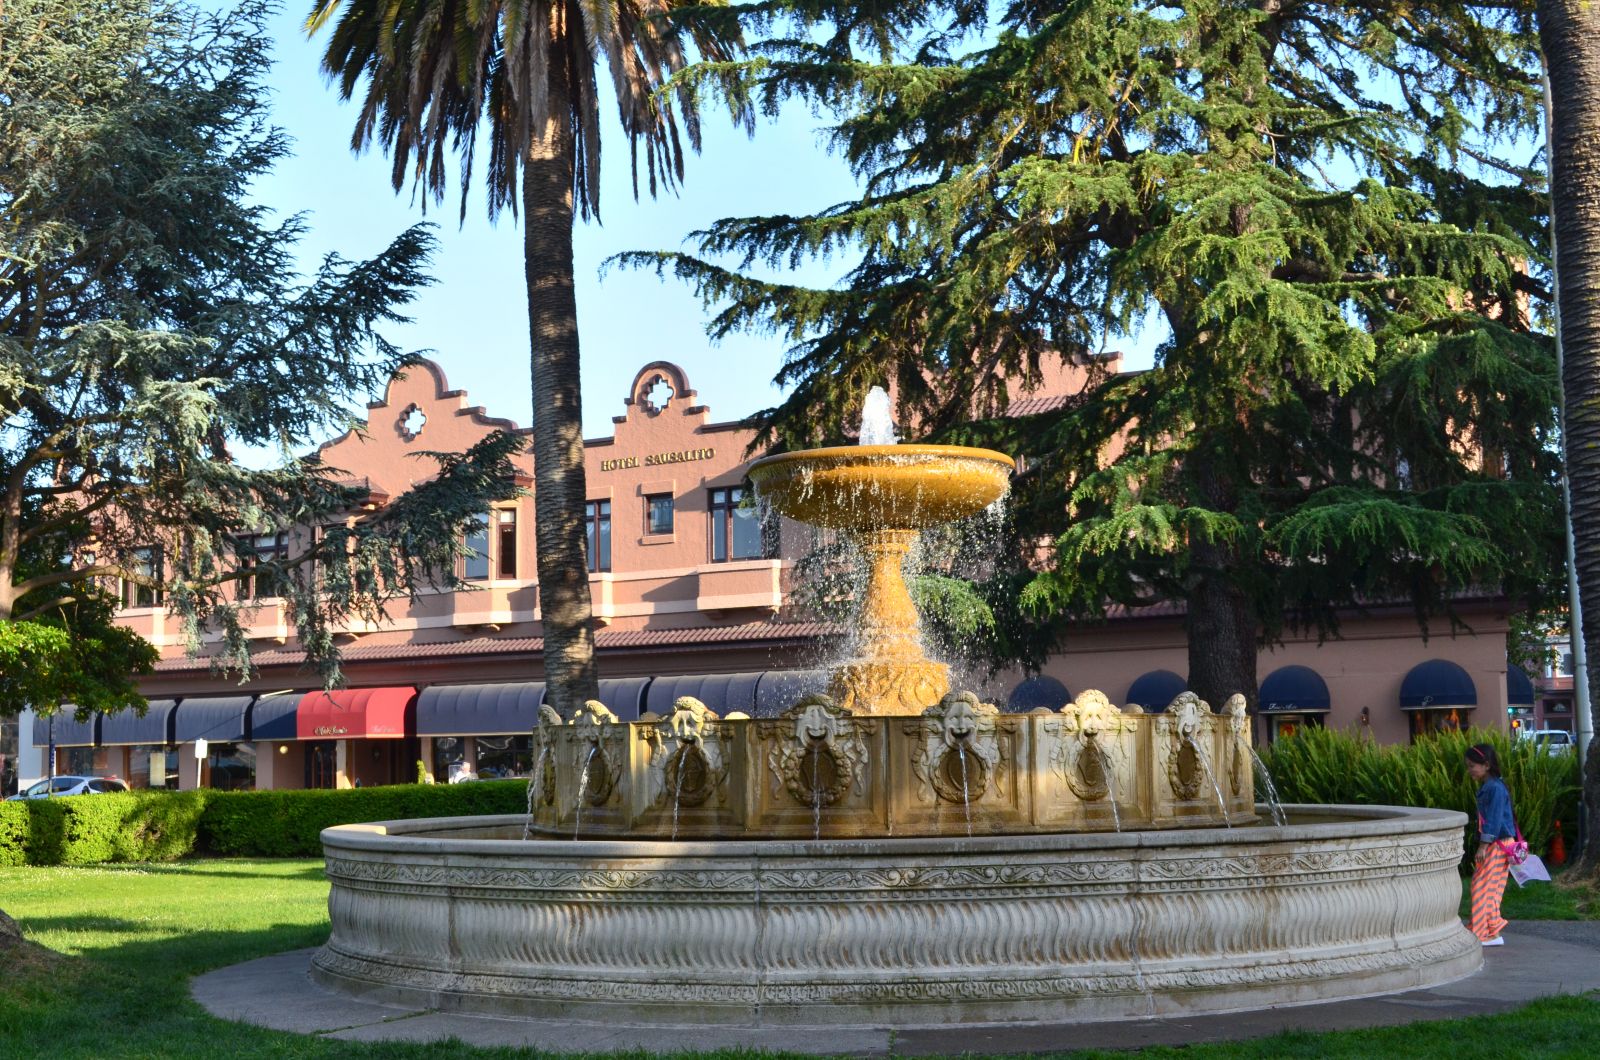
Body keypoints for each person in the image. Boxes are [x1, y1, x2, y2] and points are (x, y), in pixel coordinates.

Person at [1465, 743, 1516, 947]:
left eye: (1472, 766)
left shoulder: (1494, 788)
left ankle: (1482, 933)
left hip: (1496, 844)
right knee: (1492, 888)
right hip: (1502, 843)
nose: (1469, 770)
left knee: (1480, 887)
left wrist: (1483, 846)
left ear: (1486, 765)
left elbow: (1493, 820)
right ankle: (1492, 931)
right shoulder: (1494, 785)